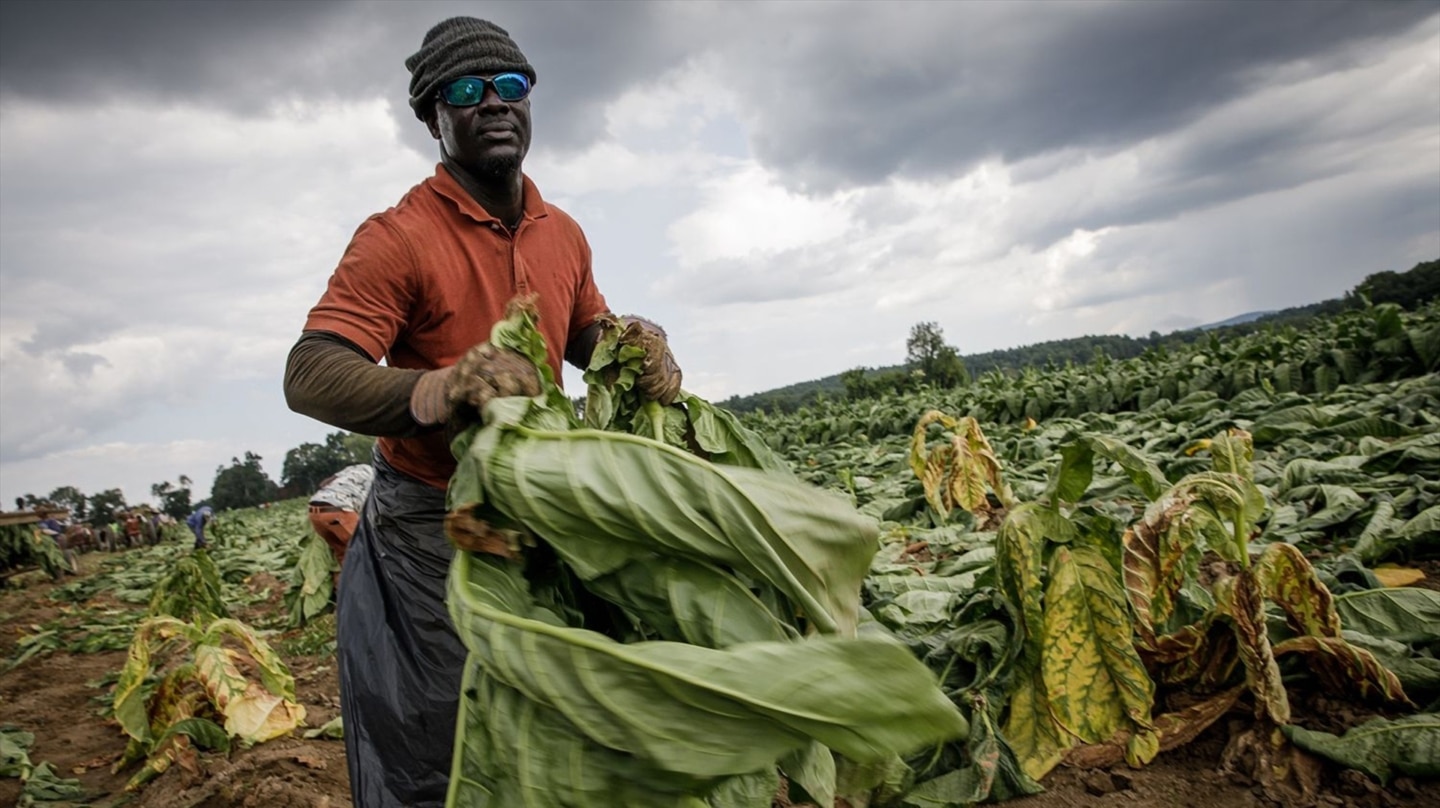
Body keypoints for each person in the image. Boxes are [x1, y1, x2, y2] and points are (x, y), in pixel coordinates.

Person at [283, 17, 682, 808]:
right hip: (435, 526)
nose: (493, 104)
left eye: (511, 87)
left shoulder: (561, 231)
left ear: (530, 103)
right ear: (434, 118)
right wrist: (430, 391)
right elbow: (311, 372)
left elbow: (583, 334)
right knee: (448, 737)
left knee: (566, 720)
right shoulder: (398, 238)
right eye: (466, 92)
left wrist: (638, 343)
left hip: (543, 517)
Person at [306, 463, 375, 580]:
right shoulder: (374, 475)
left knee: (342, 554)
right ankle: (374, 589)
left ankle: (343, 593)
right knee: (369, 549)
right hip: (338, 511)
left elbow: (324, 483)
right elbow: (370, 505)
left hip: (314, 512)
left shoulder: (350, 469)